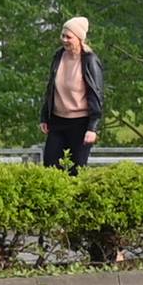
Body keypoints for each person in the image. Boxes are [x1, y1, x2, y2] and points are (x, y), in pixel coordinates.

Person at [39, 16, 106, 172]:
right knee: (50, 166)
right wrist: (44, 116)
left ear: (79, 38)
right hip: (57, 121)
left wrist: (92, 128)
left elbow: (96, 94)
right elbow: (51, 88)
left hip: (80, 123)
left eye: (69, 37)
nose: (64, 40)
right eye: (63, 36)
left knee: (76, 170)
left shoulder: (90, 60)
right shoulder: (58, 56)